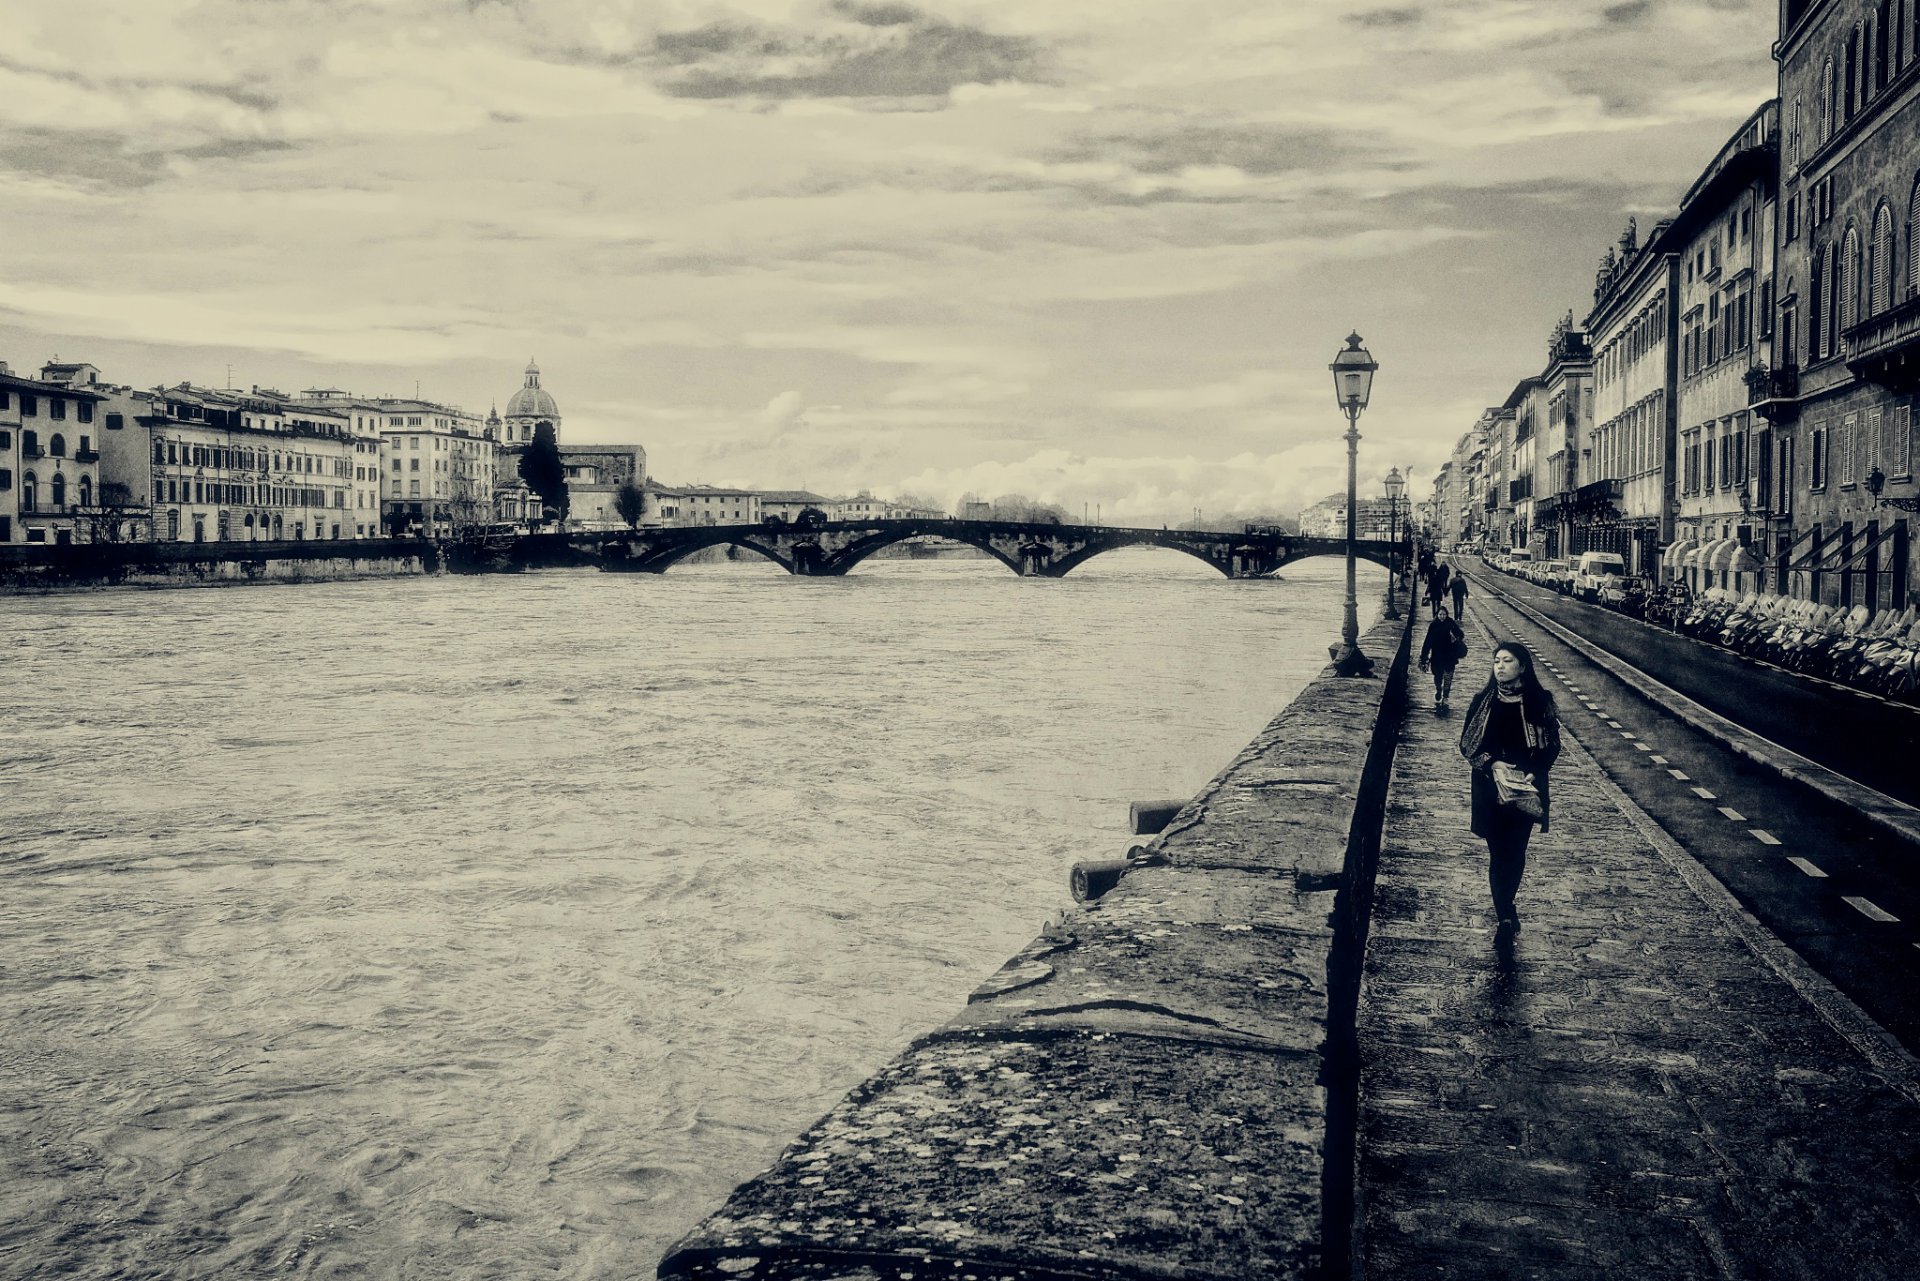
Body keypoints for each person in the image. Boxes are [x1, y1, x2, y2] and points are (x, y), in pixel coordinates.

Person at [1458, 640, 1561, 941]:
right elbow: (1467, 744)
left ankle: (1507, 903)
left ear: (1522, 666)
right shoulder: (1483, 701)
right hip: (1489, 788)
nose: (1500, 667)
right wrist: (1492, 763)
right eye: (1496, 661)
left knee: (1515, 852)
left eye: (1507, 661)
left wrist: (1535, 770)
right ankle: (1504, 916)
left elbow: (1552, 745)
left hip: (1525, 788)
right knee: (1497, 852)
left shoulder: (1540, 702)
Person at [1417, 604, 1467, 711]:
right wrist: (1424, 655)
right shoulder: (1433, 625)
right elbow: (1427, 642)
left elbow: (1460, 634)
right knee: (1438, 676)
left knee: (1448, 677)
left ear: (1447, 615)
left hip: (1450, 656)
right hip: (1437, 657)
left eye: (1444, 614)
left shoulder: (1451, 623)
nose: (1442, 616)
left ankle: (1446, 696)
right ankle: (1439, 689)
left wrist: (1455, 638)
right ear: (1437, 615)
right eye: (1440, 614)